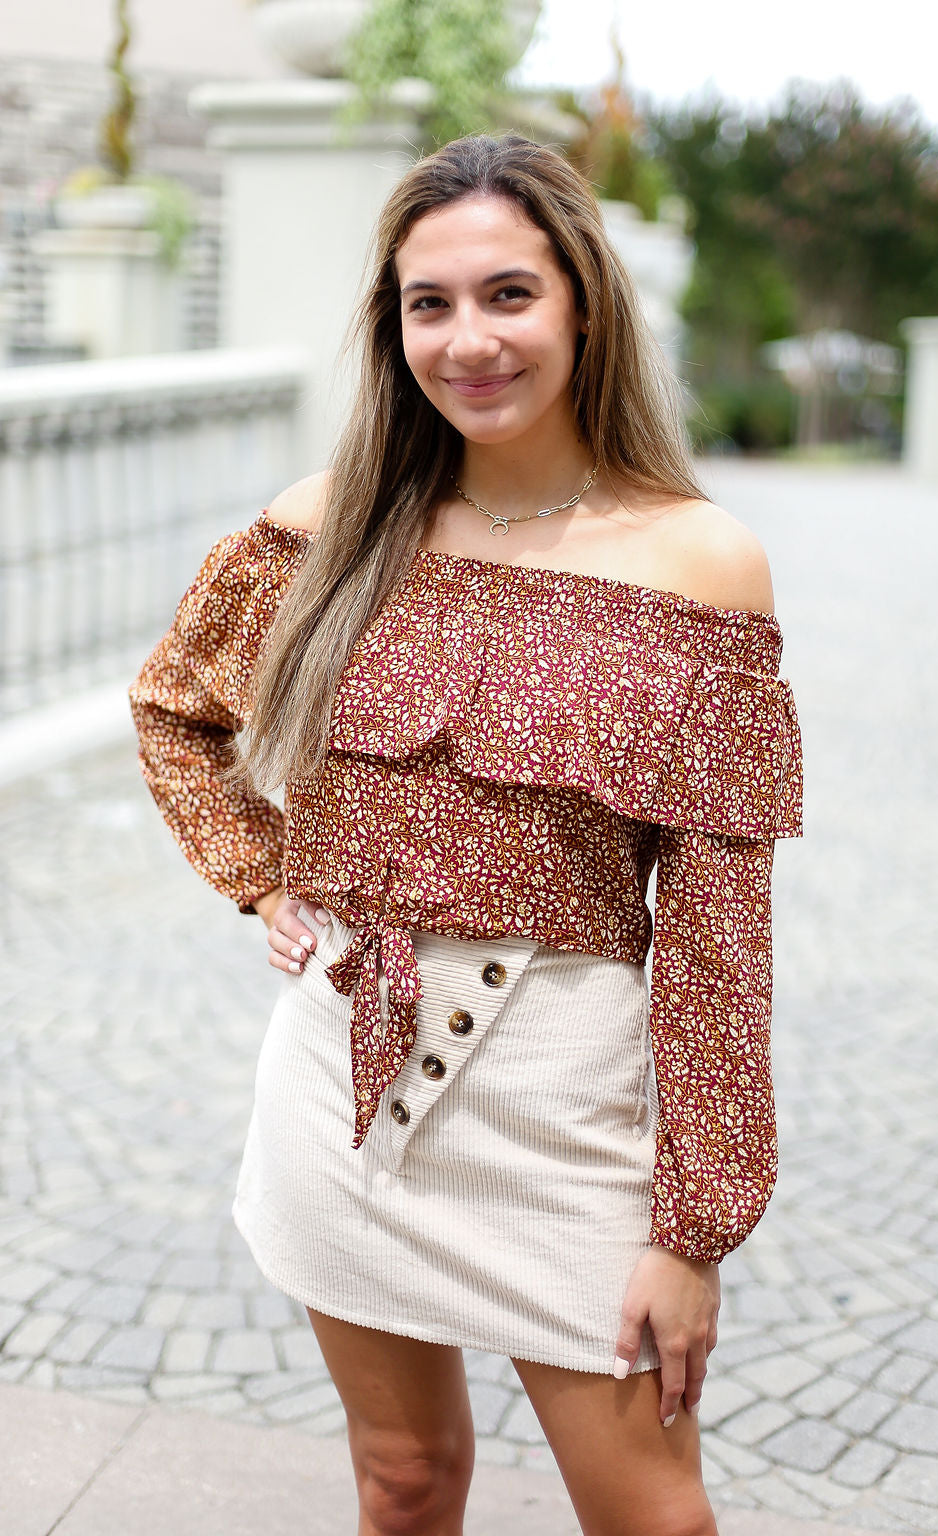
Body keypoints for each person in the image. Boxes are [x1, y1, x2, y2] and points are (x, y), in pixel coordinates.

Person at [129, 132, 803, 1536]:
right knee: (405, 1481)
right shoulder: (327, 528)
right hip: (337, 1073)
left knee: (655, 1519)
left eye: (509, 294)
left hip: (566, 1098)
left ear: (584, 307)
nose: (468, 338)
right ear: (393, 326)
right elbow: (172, 707)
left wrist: (693, 1228)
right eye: (428, 304)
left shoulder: (699, 561)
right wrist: (262, 880)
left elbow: (720, 943)